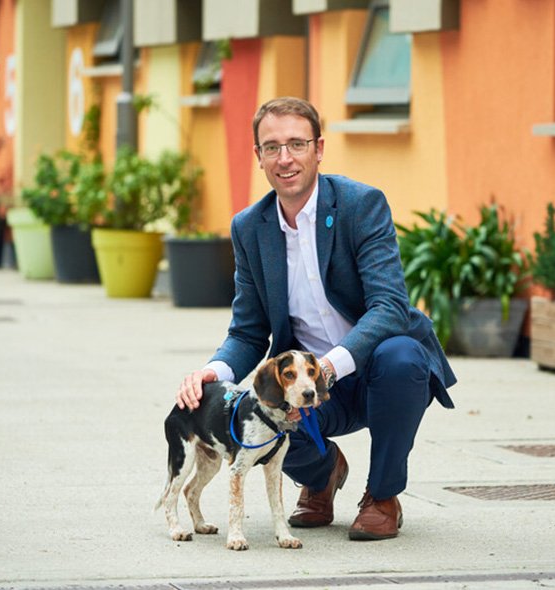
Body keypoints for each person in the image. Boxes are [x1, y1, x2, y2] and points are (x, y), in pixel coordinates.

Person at [176, 96, 456, 541]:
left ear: (319, 149)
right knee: (256, 407)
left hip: (372, 371)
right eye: (272, 147)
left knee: (403, 356)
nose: (284, 158)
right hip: (303, 385)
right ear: (259, 157)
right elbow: (248, 330)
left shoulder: (361, 205)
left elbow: (389, 306)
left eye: (296, 144)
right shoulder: (250, 227)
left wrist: (330, 367)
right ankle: (323, 473)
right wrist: (212, 372)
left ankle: (382, 496)